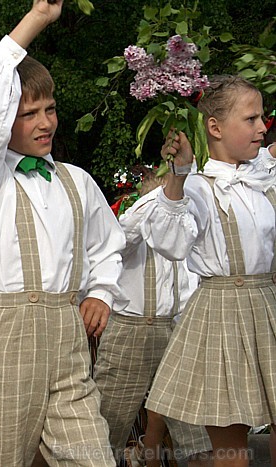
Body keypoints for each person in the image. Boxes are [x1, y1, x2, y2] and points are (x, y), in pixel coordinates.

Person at [0, 1, 125, 465]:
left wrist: (102, 293)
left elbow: (108, 246)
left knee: (94, 457)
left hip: (68, 340)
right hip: (5, 340)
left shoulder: (77, 180)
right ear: (1, 121)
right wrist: (37, 21)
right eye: (29, 113)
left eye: (49, 109)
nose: (45, 122)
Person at [143, 75, 276, 467]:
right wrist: (178, 176)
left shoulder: (264, 177)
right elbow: (170, 242)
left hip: (268, 305)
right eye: (251, 119)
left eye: (262, 118)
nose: (262, 127)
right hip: (222, 314)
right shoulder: (197, 187)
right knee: (232, 448)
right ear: (215, 127)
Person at [93, 170, 212, 467]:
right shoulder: (132, 224)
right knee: (106, 432)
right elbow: (122, 236)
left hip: (179, 331)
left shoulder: (187, 228)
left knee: (199, 436)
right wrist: (163, 199)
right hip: (131, 332)